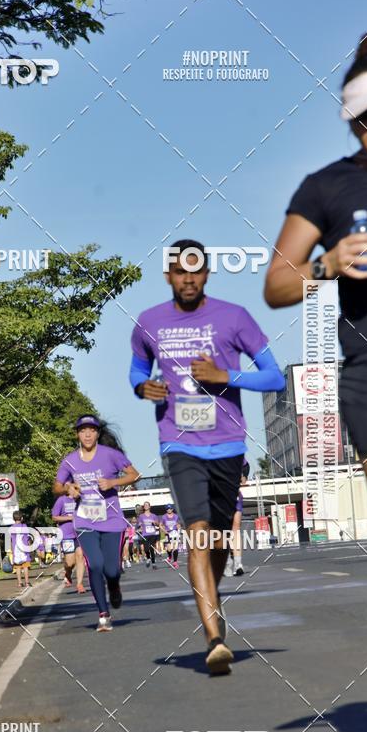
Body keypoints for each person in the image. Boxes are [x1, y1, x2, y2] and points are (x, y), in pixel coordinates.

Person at [264, 30, 367, 719]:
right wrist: (325, 265)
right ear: (350, 118)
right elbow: (276, 284)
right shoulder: (326, 187)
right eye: (365, 116)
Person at [130, 240, 285, 673]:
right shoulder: (148, 322)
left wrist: (226, 376)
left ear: (207, 274)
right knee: (197, 530)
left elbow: (274, 376)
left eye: (196, 272)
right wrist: (142, 387)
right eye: (180, 271)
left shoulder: (234, 317)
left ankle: (211, 604)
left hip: (229, 444)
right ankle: (214, 636)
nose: (188, 279)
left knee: (217, 538)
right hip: (178, 443)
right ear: (168, 276)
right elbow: (137, 369)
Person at [53, 415, 140, 632]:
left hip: (111, 521)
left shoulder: (111, 455)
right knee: (95, 564)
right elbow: (56, 486)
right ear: (77, 434)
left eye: (92, 430)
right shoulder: (70, 460)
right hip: (84, 521)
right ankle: (103, 615)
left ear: (98, 433)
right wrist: (67, 488)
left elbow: (134, 474)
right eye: (83, 431)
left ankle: (114, 585)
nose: (88, 434)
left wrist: (113, 482)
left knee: (111, 569)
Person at [52, 492, 86, 592]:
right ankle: (68, 573)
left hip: (80, 532)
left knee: (80, 557)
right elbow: (54, 517)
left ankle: (79, 584)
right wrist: (70, 518)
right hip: (66, 534)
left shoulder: (81, 499)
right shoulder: (61, 500)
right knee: (70, 563)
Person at [227, 461, 250, 577]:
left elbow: (245, 465)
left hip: (233, 494)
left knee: (235, 528)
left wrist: (244, 476)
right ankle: (226, 561)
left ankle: (238, 564)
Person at [9, 510, 31, 590]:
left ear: (13, 518)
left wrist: (12, 550)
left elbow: (11, 539)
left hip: (16, 549)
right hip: (24, 548)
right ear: (21, 518)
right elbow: (27, 537)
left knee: (18, 567)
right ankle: (27, 582)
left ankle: (19, 583)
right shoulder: (24, 526)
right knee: (25, 566)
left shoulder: (11, 528)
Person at [137, 501, 160, 568]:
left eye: (147, 505)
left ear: (149, 506)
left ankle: (153, 563)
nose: (146, 506)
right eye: (145, 505)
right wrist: (139, 528)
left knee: (151, 548)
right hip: (145, 534)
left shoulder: (154, 515)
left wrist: (155, 522)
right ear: (144, 507)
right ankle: (148, 558)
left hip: (152, 534)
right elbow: (140, 525)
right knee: (146, 549)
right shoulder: (141, 516)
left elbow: (158, 524)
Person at [161, 504, 182, 568]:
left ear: (172, 509)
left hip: (175, 533)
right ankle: (170, 556)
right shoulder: (164, 517)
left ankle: (175, 562)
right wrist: (164, 531)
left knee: (175, 548)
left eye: (170, 509)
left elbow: (178, 524)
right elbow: (160, 525)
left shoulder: (176, 516)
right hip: (167, 534)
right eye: (167, 509)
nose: (168, 510)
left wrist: (178, 530)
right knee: (169, 549)